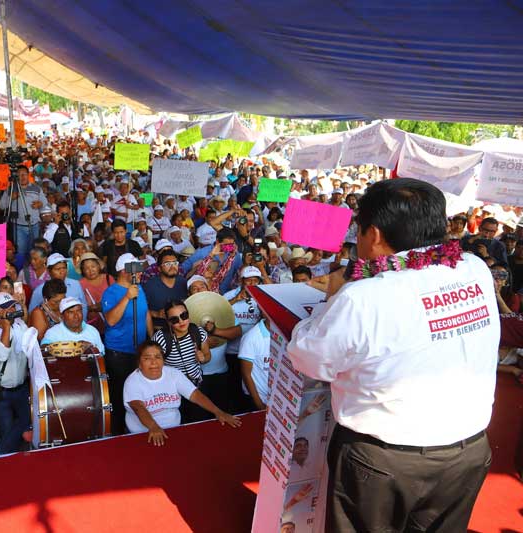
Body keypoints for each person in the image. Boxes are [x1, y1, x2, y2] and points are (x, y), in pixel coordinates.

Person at [288, 178, 498, 532]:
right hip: (466, 453)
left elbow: (308, 358)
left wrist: (333, 297)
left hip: (383, 462)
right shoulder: (473, 267)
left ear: (374, 233)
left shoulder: (364, 297)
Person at [123, 341, 241, 446]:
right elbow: (139, 408)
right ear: (139, 363)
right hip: (142, 435)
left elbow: (195, 395)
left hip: (173, 431)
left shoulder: (174, 374)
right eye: (147, 358)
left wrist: (218, 412)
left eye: (158, 357)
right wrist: (154, 427)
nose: (154, 362)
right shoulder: (132, 381)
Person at [102, 253, 153, 435]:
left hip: (139, 350)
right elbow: (111, 320)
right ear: (125, 271)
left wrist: (152, 337)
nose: (140, 272)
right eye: (136, 268)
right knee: (121, 394)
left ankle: (138, 425)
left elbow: (145, 313)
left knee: (139, 391)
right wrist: (127, 297)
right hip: (119, 353)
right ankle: (119, 432)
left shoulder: (139, 288)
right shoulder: (111, 292)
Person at [0, 292, 31, 455]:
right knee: (8, 431)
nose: (10, 310)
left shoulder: (20, 326)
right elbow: (1, 355)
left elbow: (30, 346)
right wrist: (5, 327)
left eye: (11, 305)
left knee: (26, 422)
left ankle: (0, 449)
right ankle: (4, 453)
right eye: (4, 308)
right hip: (1, 392)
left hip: (21, 388)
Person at [28, 253, 87, 319]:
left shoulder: (76, 284)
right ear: (48, 271)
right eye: (58, 269)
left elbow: (84, 307)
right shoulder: (39, 290)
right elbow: (31, 314)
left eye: (64, 268)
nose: (62, 272)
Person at [143, 249, 188, 330]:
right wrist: (156, 314)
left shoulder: (184, 282)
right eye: (168, 264)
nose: (172, 266)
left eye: (175, 263)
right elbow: (140, 310)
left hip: (182, 328)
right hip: (159, 329)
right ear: (159, 268)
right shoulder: (149, 286)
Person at [238, 318, 271, 410]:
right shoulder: (251, 338)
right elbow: (246, 374)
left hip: (276, 398)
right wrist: (259, 404)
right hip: (258, 398)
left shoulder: (284, 333)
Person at [77, 252, 112, 334]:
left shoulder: (108, 278)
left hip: (111, 322)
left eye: (93, 266)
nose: (91, 270)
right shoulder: (79, 284)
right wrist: (91, 308)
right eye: (86, 268)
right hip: (91, 326)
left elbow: (117, 298)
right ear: (83, 270)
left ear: (99, 266)